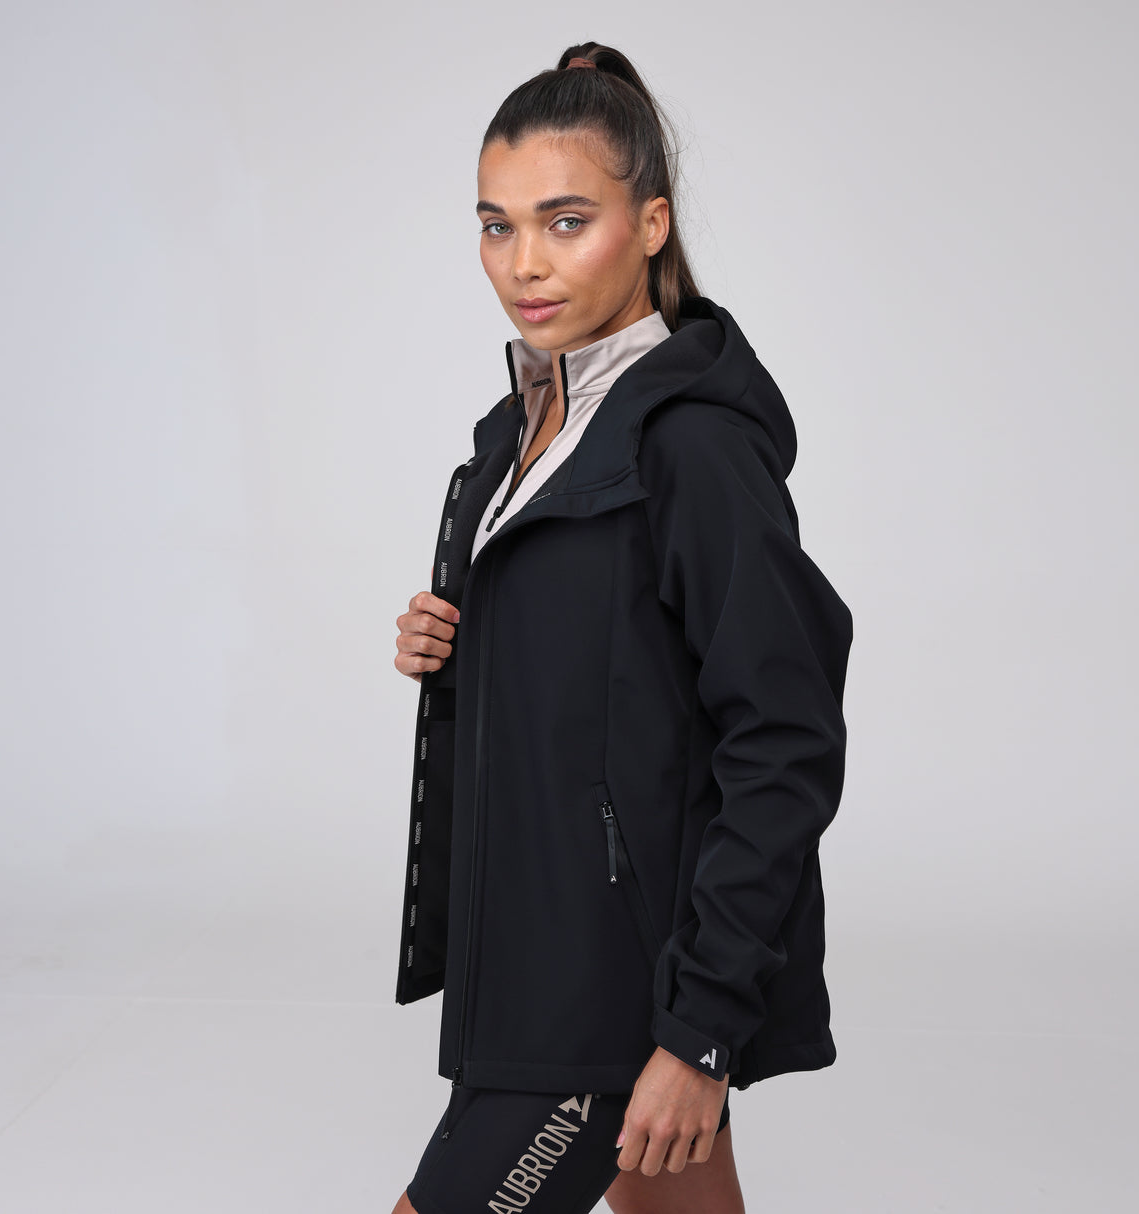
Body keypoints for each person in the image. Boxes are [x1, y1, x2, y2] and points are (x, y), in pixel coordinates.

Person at [390, 42, 853, 1214]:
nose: (523, 262)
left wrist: (699, 1028)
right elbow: (609, 670)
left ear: (650, 223)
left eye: (564, 221)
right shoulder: (520, 430)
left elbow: (783, 735)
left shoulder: (691, 446)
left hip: (613, 988)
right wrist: (461, 642)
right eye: (495, 226)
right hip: (535, 954)